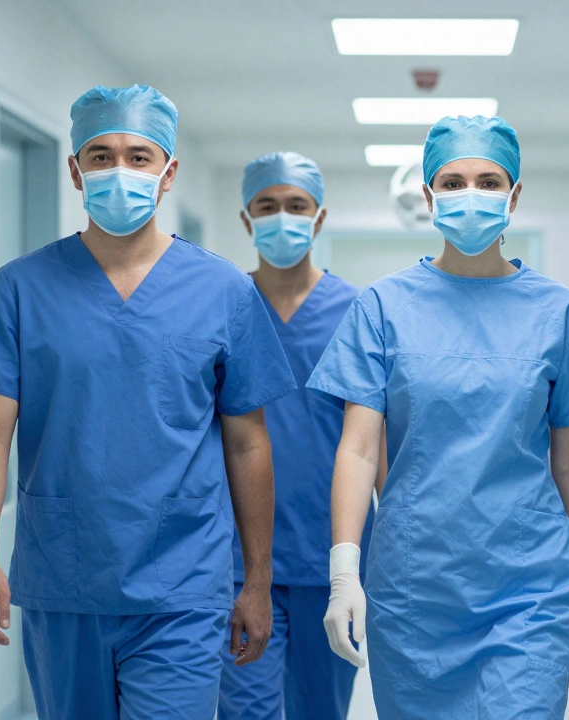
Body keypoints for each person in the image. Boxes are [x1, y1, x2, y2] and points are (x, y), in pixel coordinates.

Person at [0, 85, 296, 720]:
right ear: (74, 170)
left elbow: (248, 442)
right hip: (64, 578)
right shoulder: (21, 288)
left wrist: (258, 581)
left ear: (168, 173)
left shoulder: (222, 291)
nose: (119, 171)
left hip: (184, 585)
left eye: (138, 156)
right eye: (100, 156)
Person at [310, 115, 569, 719]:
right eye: (452, 182)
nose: (469, 194)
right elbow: (359, 450)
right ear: (427, 196)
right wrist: (344, 572)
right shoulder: (382, 307)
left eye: (487, 179)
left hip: (529, 585)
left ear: (515, 195)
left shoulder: (560, 312)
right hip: (416, 584)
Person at [219, 151, 377, 720]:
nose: (281, 216)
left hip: (332, 554)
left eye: (296, 205)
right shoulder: (223, 305)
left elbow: (375, 442)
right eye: (267, 205)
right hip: (236, 557)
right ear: (246, 218)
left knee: (322, 711)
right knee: (246, 710)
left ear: (319, 216)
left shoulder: (358, 310)